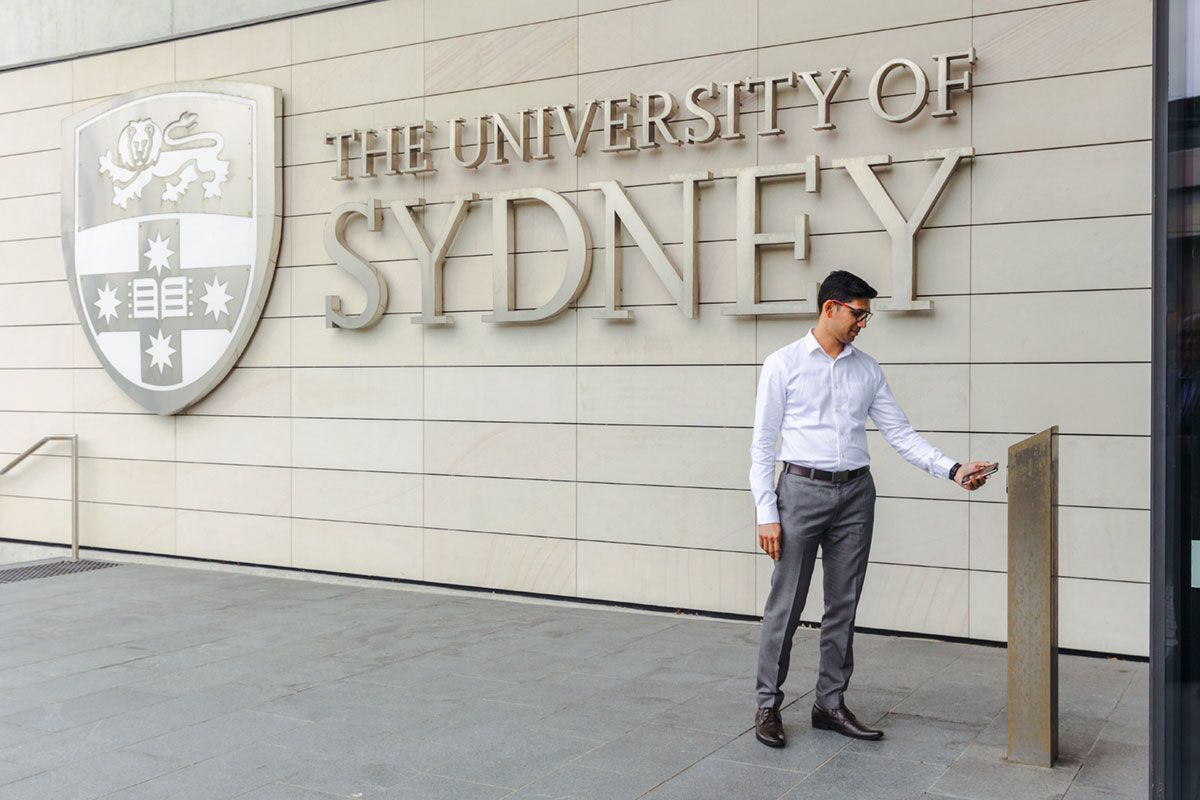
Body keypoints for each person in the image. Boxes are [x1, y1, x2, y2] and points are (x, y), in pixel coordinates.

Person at [750, 270, 990, 748]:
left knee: (844, 604)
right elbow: (761, 445)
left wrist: (952, 469)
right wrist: (766, 512)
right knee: (786, 604)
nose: (863, 323)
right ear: (830, 308)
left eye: (866, 316)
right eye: (858, 314)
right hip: (800, 492)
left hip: (856, 496)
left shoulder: (867, 369)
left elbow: (900, 434)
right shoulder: (783, 364)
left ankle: (829, 704)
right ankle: (767, 705)